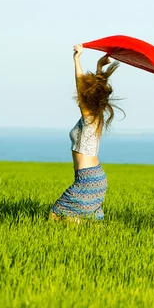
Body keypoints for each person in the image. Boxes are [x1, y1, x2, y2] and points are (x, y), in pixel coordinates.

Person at [50, 44, 121, 222]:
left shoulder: (90, 118)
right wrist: (99, 66)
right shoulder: (95, 117)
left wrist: (77, 59)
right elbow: (93, 90)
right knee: (86, 225)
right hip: (93, 178)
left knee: (56, 215)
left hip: (87, 179)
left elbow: (80, 86)